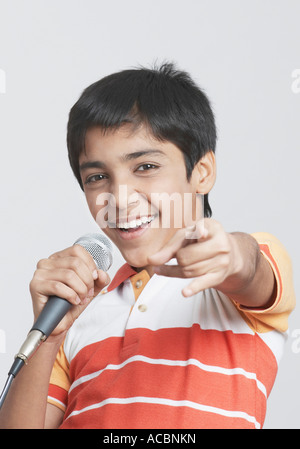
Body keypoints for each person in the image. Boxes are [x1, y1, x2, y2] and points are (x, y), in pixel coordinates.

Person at [0, 62, 295, 429]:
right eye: (97, 177)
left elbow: (248, 265)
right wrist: (47, 339)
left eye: (145, 167)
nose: (120, 199)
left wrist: (230, 256)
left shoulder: (233, 278)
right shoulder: (78, 313)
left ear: (201, 172)